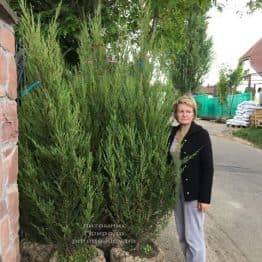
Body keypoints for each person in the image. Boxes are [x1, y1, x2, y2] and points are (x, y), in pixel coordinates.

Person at [167, 95, 214, 262]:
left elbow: (208, 169)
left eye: (188, 111)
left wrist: (205, 198)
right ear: (175, 113)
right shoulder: (172, 132)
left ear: (194, 113)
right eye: (181, 111)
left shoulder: (201, 134)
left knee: (193, 237)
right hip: (176, 190)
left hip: (193, 192)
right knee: (181, 234)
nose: (184, 114)